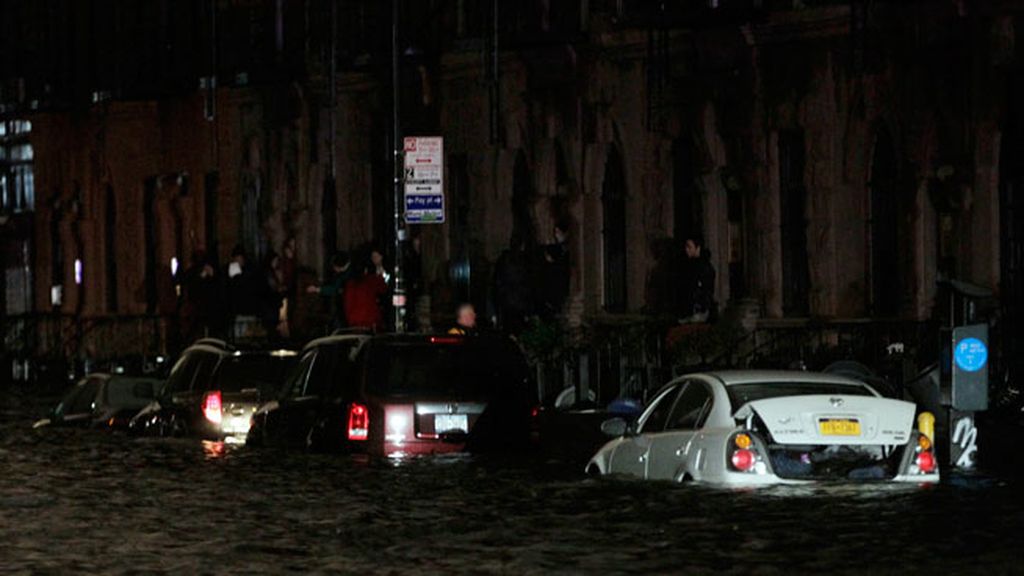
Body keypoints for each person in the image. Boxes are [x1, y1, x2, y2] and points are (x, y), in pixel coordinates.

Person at [307, 251, 355, 330]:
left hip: (347, 307)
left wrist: (317, 289)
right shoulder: (345, 273)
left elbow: (334, 289)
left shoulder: (346, 276)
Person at [343, 259, 388, 331]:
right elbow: (383, 288)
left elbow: (348, 303)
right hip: (371, 320)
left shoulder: (350, 284)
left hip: (354, 321)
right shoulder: (371, 281)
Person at [679, 234, 716, 323]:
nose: (686, 250)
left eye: (689, 247)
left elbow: (705, 289)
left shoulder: (703, 267)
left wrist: (701, 306)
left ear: (697, 248)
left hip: (699, 310)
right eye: (686, 247)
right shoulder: (690, 265)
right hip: (691, 309)